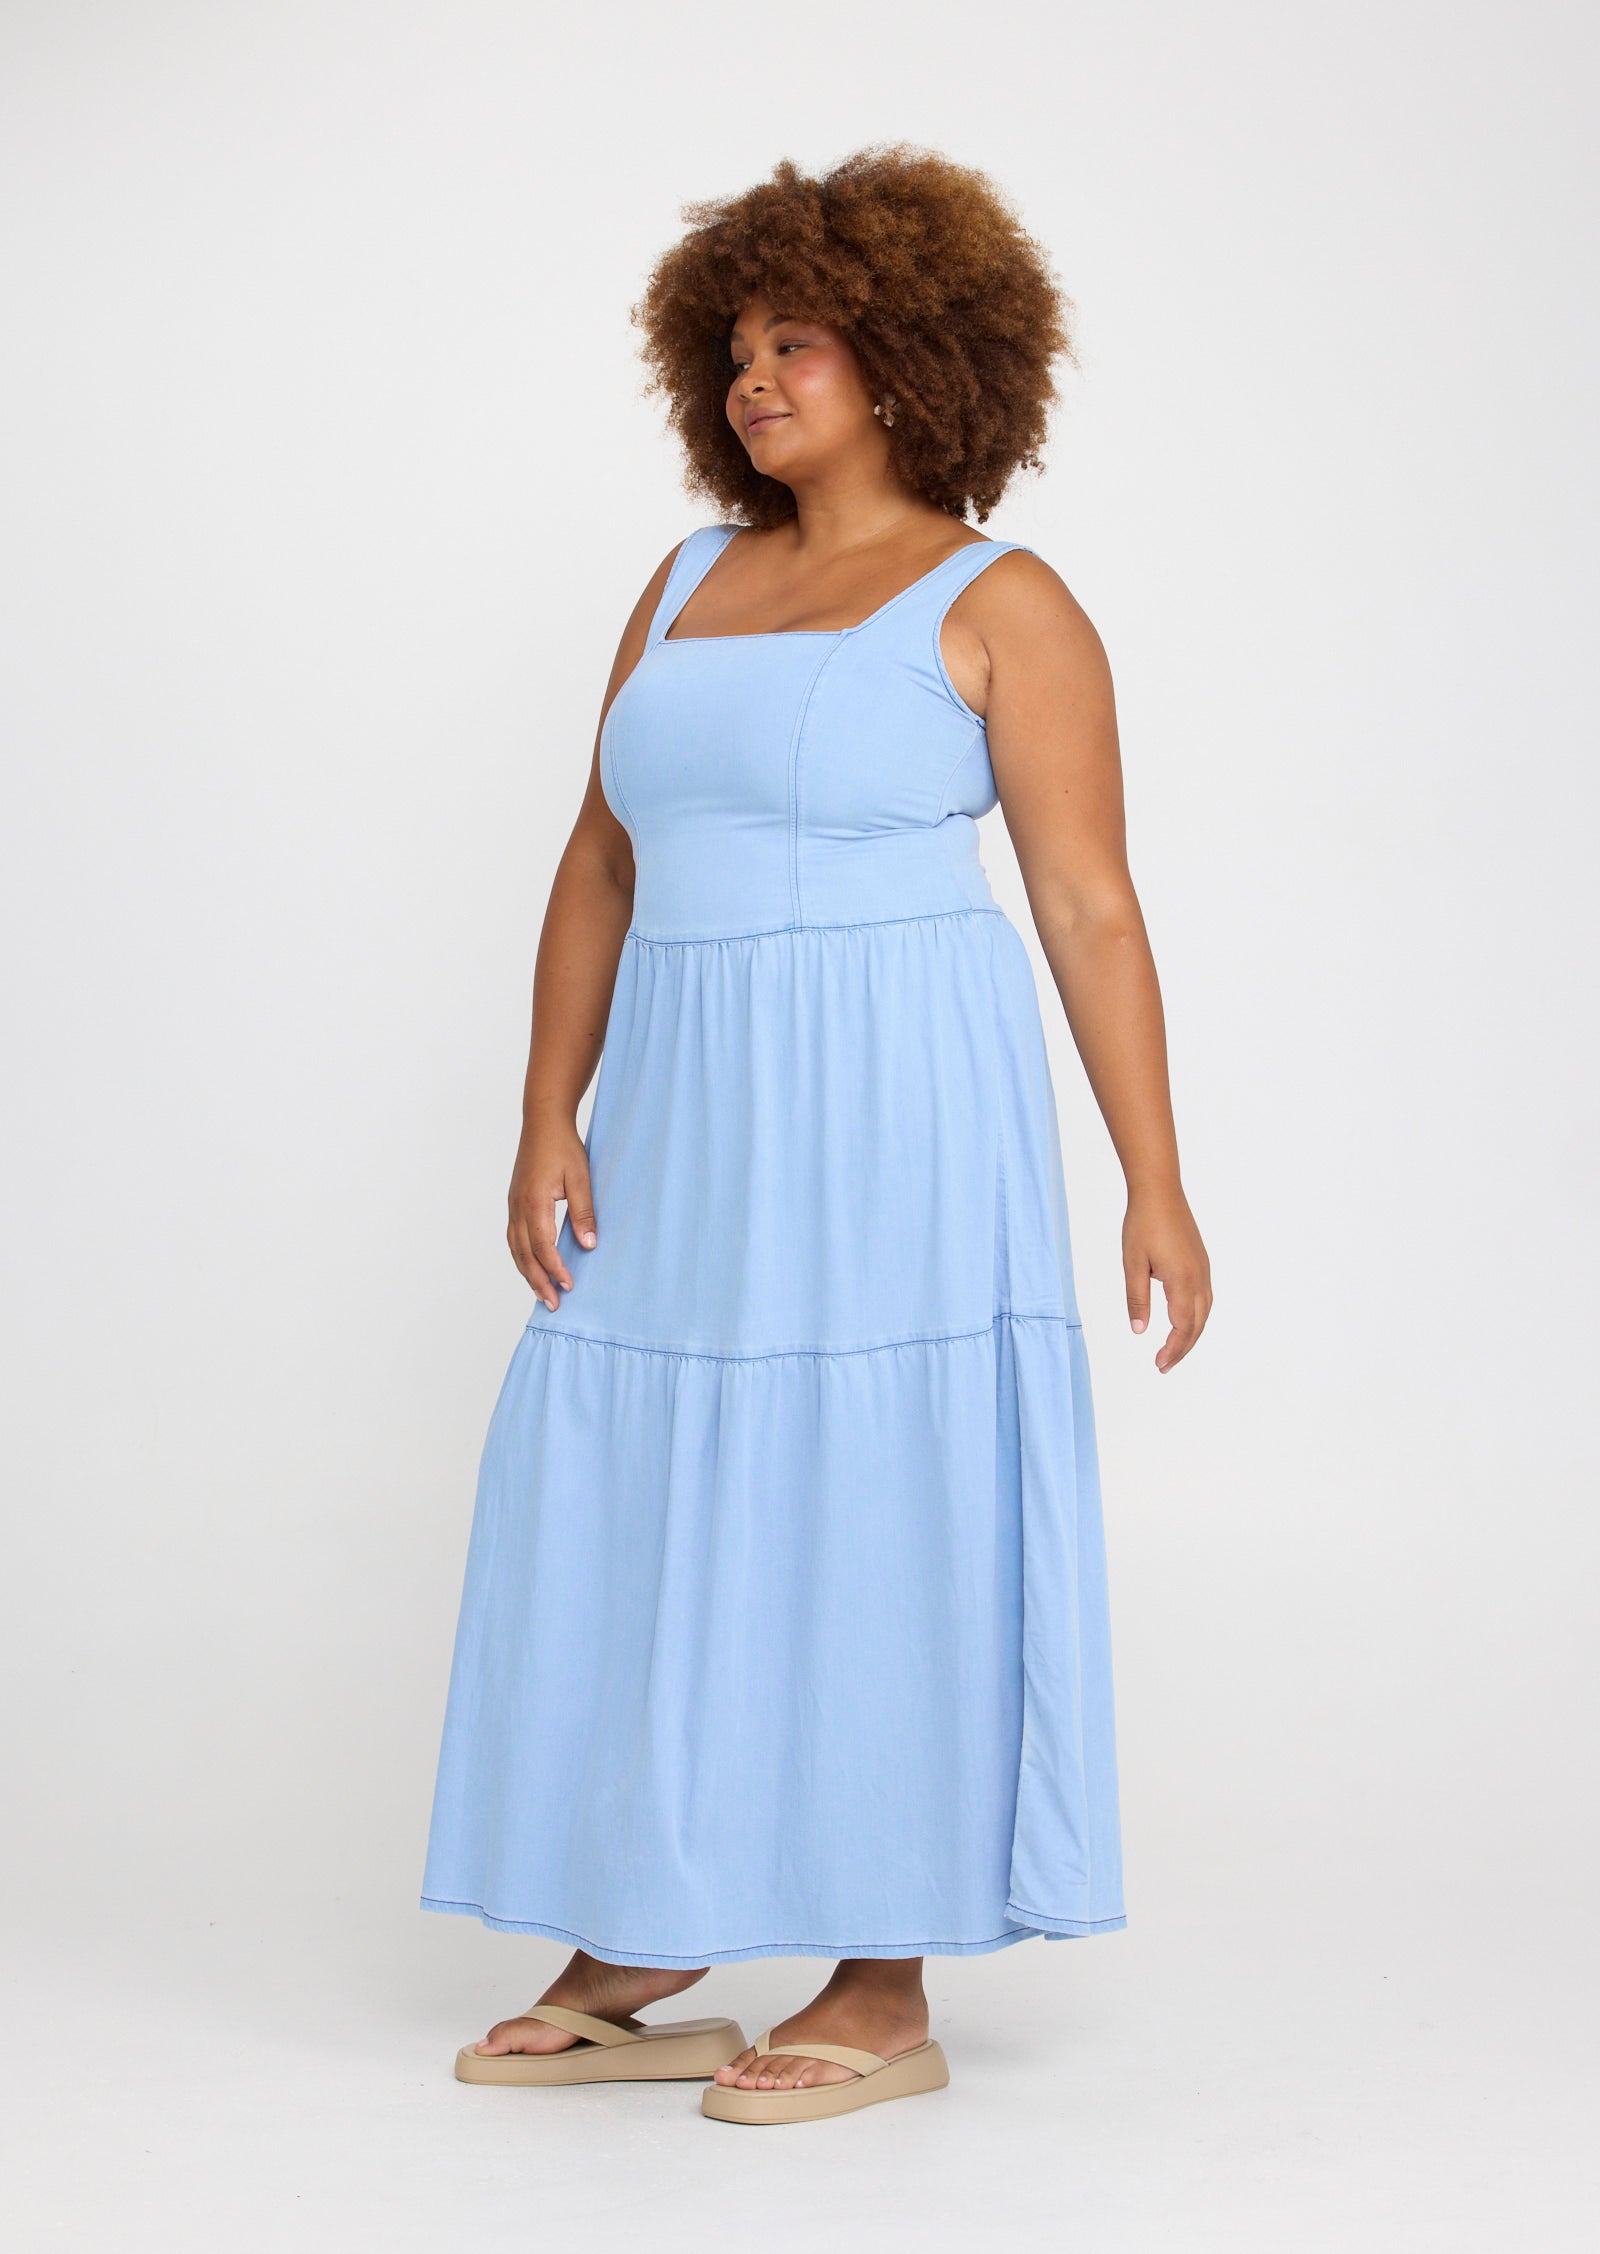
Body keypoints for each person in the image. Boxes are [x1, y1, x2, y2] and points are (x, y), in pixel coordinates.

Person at [421, 143, 1212, 2127]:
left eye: (801, 343)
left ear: (915, 358)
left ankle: (880, 1969)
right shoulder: (683, 581)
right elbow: (600, 857)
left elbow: (1088, 904)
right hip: (686, 1100)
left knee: (877, 1488)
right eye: (739, 347)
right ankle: (649, 1925)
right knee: (655, 1475)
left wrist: (1156, 1177)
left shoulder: (1003, 602)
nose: (756, 377)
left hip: (894, 1103)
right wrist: (545, 1107)